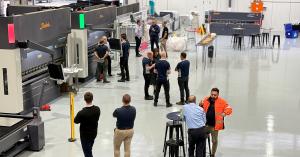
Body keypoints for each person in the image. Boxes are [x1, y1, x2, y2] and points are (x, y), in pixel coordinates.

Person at [199, 88, 233, 157]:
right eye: (212, 94)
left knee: (214, 141)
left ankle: (212, 154)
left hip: (215, 126)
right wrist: (200, 105)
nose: (213, 96)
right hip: (205, 124)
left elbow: (229, 108)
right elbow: (201, 108)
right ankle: (202, 153)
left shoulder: (222, 101)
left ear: (218, 95)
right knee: (201, 139)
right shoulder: (206, 99)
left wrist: (225, 113)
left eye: (215, 95)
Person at [74, 92, 100, 157]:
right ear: (92, 99)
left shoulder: (81, 113)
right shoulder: (97, 109)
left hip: (85, 136)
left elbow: (75, 121)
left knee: (87, 153)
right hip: (94, 133)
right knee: (89, 148)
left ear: (84, 100)